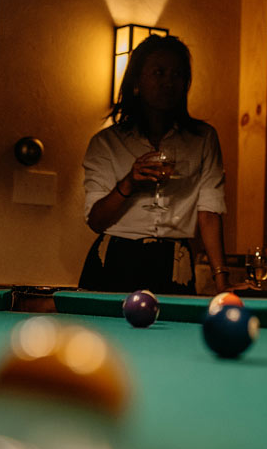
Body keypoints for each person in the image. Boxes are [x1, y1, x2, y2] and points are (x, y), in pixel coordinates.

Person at [80, 35, 230, 295]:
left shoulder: (203, 138)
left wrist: (221, 280)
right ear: (137, 80)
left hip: (174, 261)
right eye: (159, 72)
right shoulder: (106, 142)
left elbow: (209, 212)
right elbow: (96, 220)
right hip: (115, 258)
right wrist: (129, 184)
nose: (168, 82)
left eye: (177, 74)